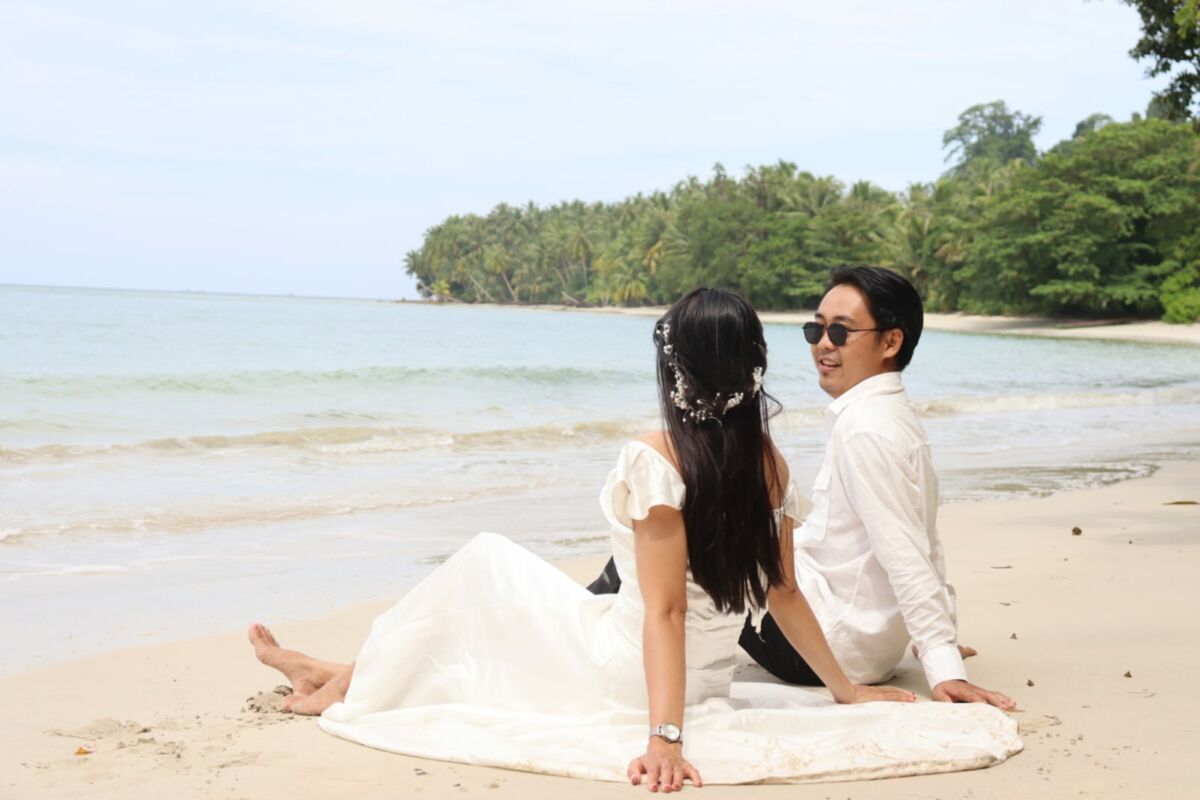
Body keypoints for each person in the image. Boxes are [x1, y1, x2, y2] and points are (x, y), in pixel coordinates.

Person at [249, 287, 1021, 787]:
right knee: (500, 596)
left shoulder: (656, 458)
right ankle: (341, 673)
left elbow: (665, 611)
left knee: (482, 566)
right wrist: (846, 691)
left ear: (675, 369)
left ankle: (344, 685)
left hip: (630, 677)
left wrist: (666, 737)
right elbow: (783, 591)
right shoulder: (771, 463)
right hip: (705, 680)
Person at [591, 268, 1015, 710]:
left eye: (840, 332)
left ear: (891, 342)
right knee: (679, 532)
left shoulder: (864, 430)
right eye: (816, 330)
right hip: (862, 637)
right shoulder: (894, 417)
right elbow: (924, 533)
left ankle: (594, 643)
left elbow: (905, 549)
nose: (823, 344)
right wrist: (939, 635)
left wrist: (942, 661)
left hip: (830, 642)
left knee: (647, 545)